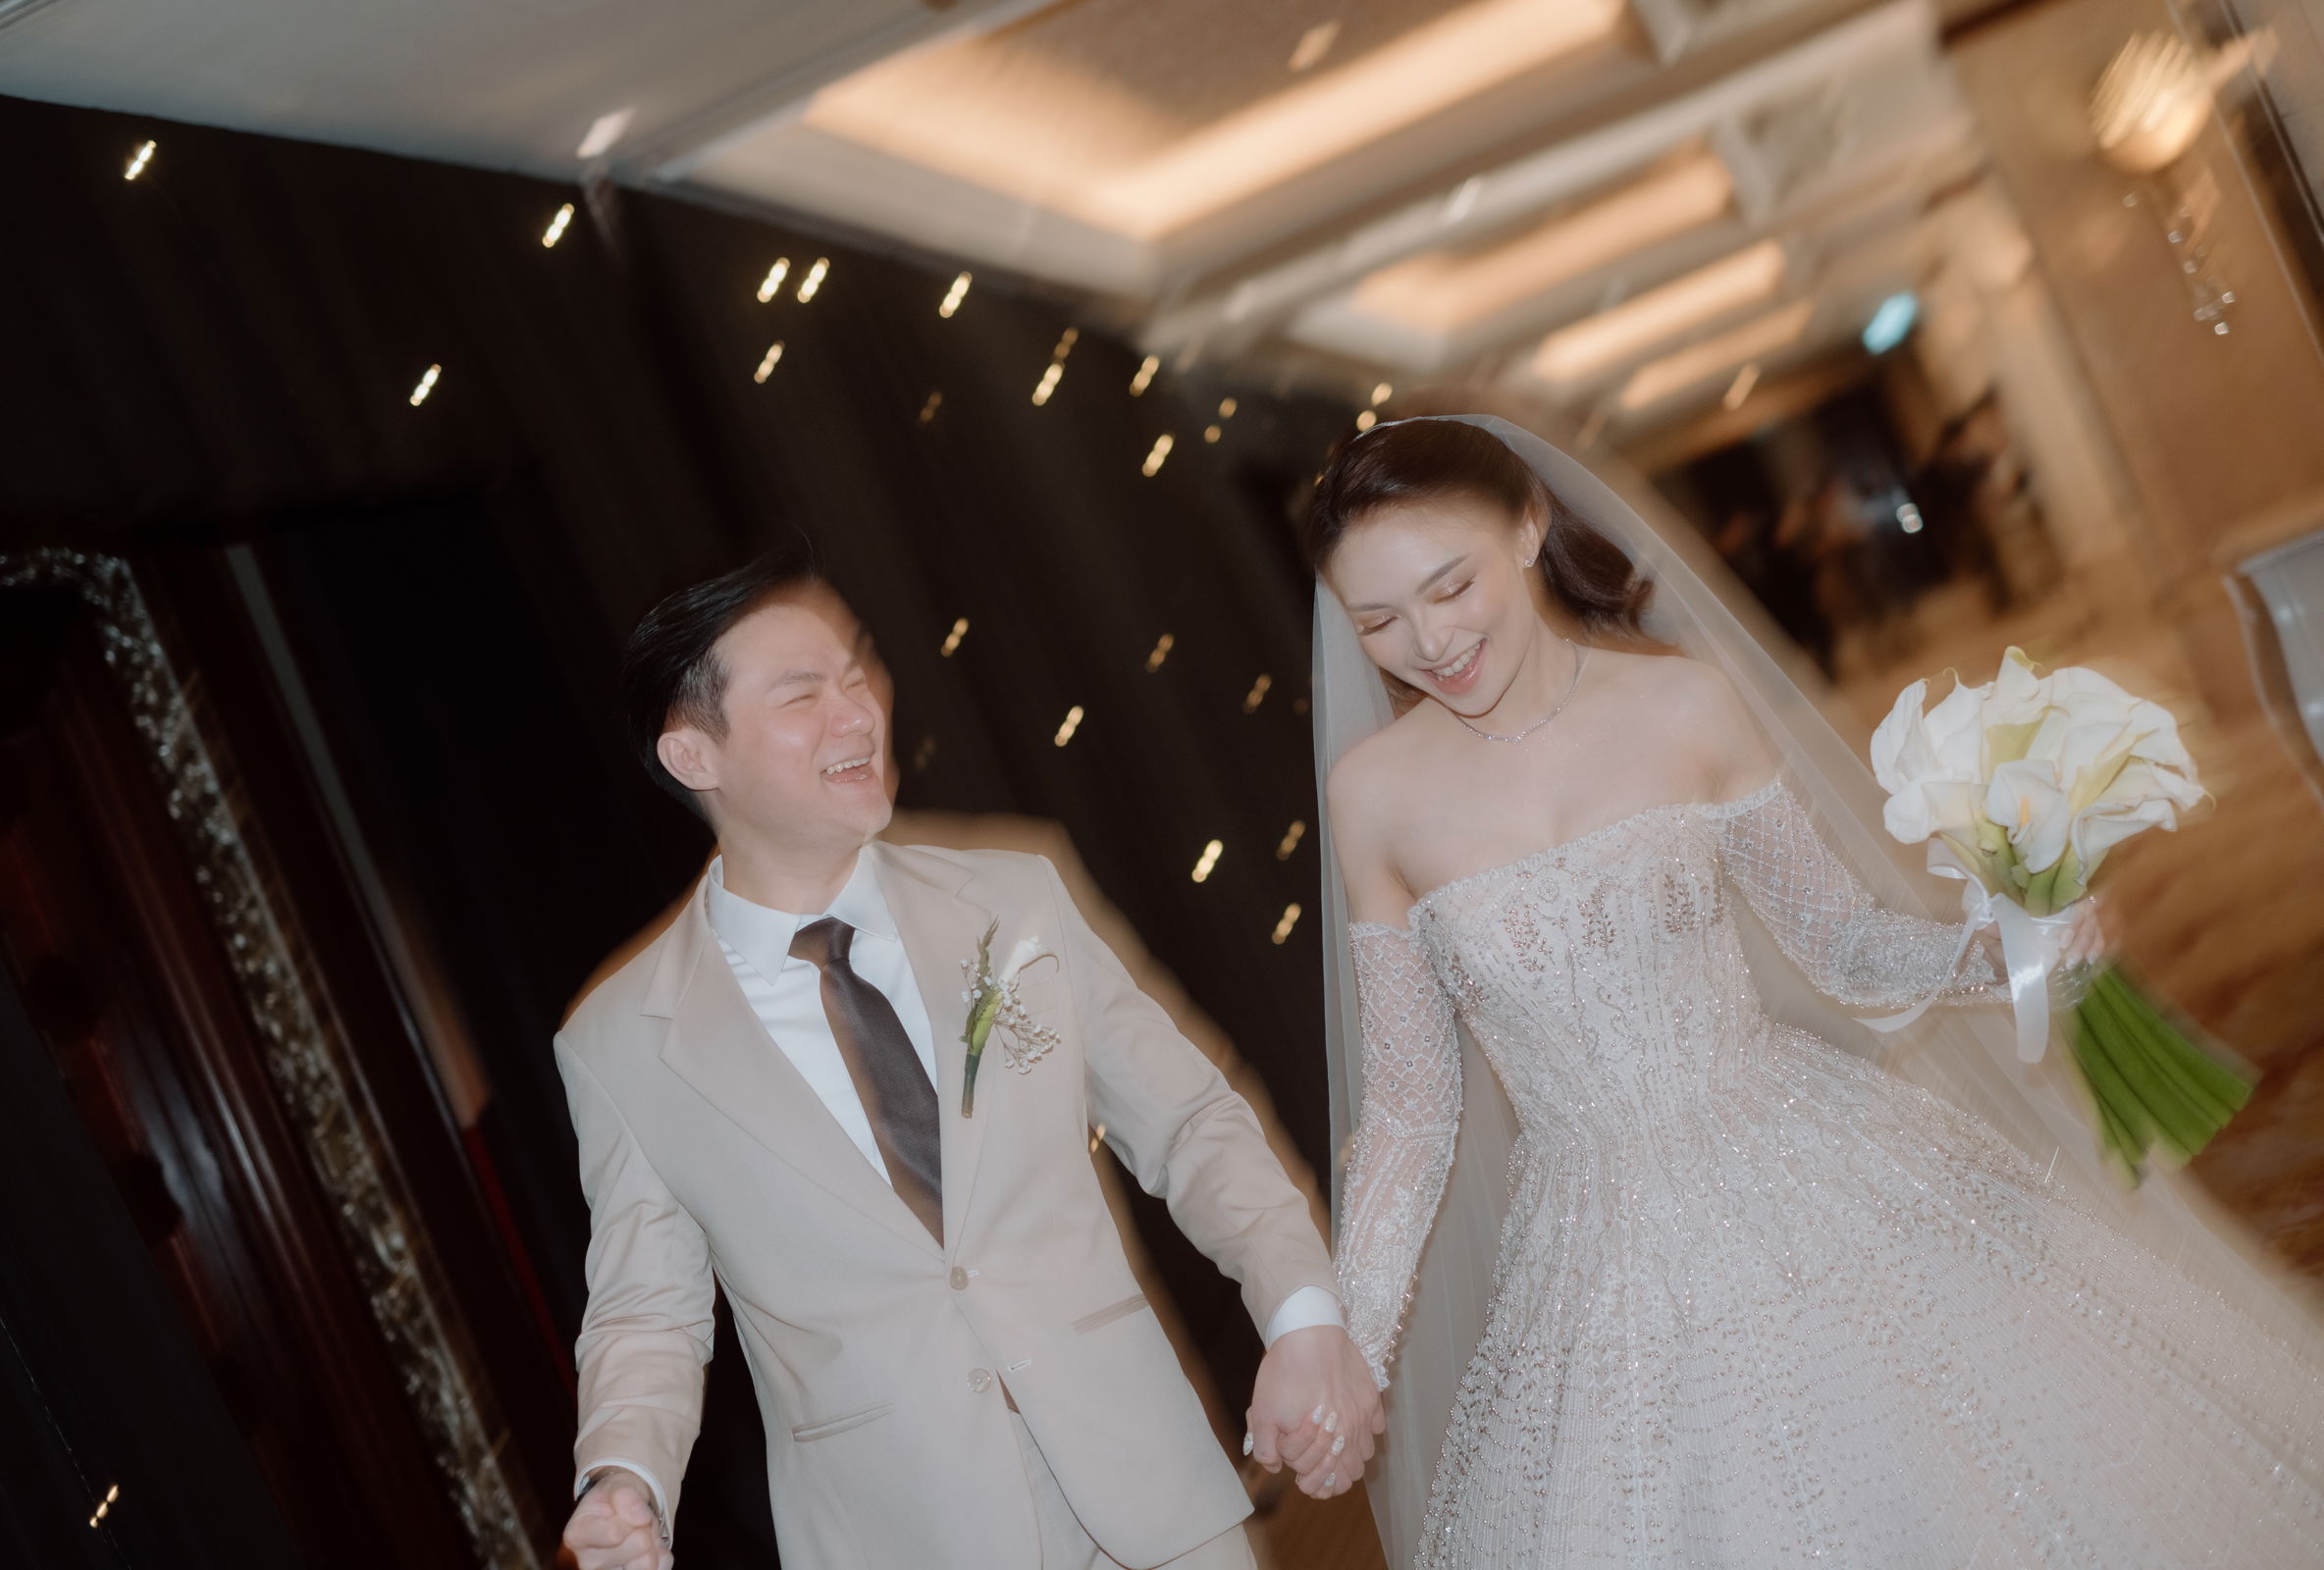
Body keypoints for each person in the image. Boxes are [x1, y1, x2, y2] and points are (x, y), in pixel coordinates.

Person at [1310, 414, 2324, 1567]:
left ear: (1530, 526)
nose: (1429, 642)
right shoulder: (1373, 795)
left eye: (1450, 587)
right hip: (1594, 1257)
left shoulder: (1685, 706)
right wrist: (1350, 1345)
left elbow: (1839, 942)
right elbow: (1410, 1109)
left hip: (1794, 1159)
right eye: (1378, 621)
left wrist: (2000, 952)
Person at [555, 551, 1380, 1570]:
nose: (858, 713)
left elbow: (1192, 1123)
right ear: (693, 755)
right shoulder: (621, 1039)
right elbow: (647, 1309)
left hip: (1149, 1492)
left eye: (857, 673)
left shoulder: (1017, 893)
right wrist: (622, 1475)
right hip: (901, 1534)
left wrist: (1303, 1314)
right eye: (804, 694)